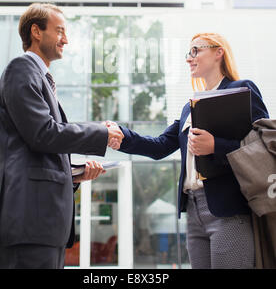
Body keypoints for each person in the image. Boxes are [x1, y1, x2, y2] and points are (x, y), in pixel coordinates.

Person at [106, 32, 269, 269]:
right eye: (188, 53)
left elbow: (261, 146)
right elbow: (160, 146)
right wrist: (123, 137)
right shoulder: (189, 108)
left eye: (195, 51)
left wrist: (216, 146)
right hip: (194, 211)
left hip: (229, 210)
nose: (189, 58)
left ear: (218, 52)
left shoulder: (241, 90)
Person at [0, 3, 124, 269]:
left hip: (41, 224)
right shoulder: (21, 69)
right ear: (36, 32)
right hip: (28, 223)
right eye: (59, 31)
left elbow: (36, 149)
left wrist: (74, 174)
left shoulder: (40, 77)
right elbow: (43, 133)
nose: (66, 39)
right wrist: (101, 133)